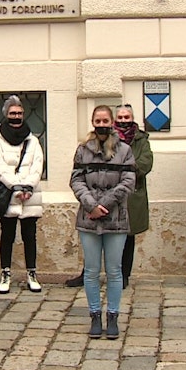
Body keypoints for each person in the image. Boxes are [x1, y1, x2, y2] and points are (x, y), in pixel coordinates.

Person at [65, 103, 153, 289]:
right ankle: (87, 273)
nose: (123, 121)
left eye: (126, 118)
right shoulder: (87, 148)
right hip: (95, 201)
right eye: (120, 118)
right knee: (93, 239)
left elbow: (144, 164)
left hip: (128, 198)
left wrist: (123, 169)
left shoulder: (138, 141)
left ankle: (123, 276)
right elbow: (79, 178)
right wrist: (93, 203)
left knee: (127, 237)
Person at [71, 105, 136, 339]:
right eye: (97, 121)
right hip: (89, 219)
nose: (101, 125)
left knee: (114, 270)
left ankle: (113, 316)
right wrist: (91, 205)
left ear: (112, 122)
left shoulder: (125, 150)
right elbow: (76, 180)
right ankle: (95, 315)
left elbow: (128, 181)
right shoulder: (82, 150)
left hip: (115, 218)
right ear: (92, 122)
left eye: (105, 120)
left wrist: (105, 204)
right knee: (91, 270)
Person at [0, 95, 45, 294]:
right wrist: (16, 187)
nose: (17, 116)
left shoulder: (33, 139)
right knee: (7, 236)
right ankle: (5, 273)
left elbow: (38, 165)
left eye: (20, 113)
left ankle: (32, 273)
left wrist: (28, 187)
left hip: (30, 195)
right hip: (8, 194)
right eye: (13, 113)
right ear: (6, 114)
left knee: (30, 236)